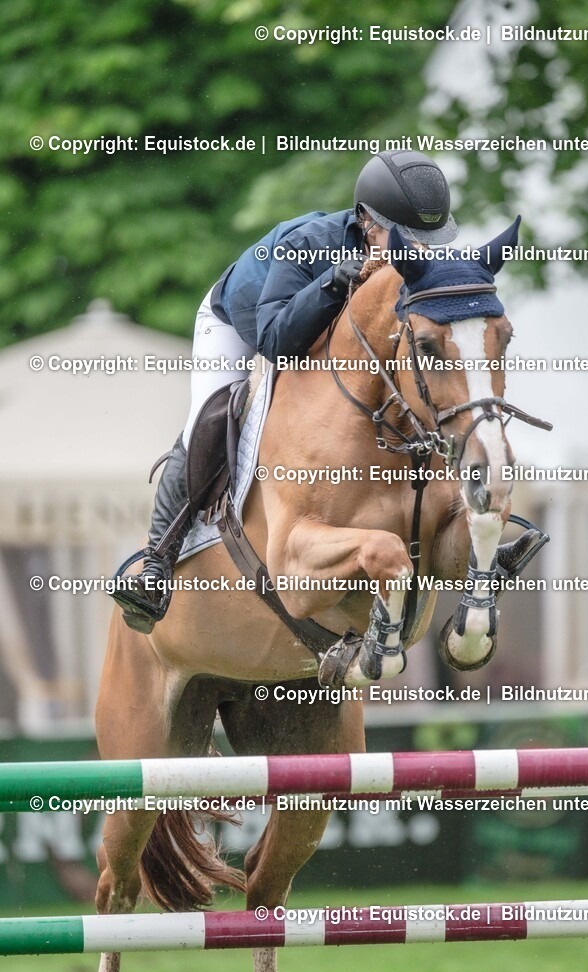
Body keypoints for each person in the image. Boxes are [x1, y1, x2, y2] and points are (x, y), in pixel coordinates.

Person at [113, 151, 459, 632]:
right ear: (365, 222)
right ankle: (157, 561)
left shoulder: (406, 262)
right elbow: (278, 343)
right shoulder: (307, 243)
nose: (415, 254)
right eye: (405, 240)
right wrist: (334, 281)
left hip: (318, 335)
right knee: (209, 418)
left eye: (426, 242)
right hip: (245, 324)